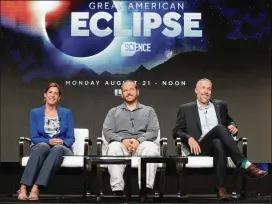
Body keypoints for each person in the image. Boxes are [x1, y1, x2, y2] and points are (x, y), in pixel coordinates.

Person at [172, 78, 268, 200]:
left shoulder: (220, 105)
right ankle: (246, 164)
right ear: (196, 90)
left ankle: (221, 190)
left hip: (219, 146)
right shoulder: (185, 108)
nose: (206, 91)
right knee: (219, 128)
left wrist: (233, 126)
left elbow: (229, 121)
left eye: (209, 89)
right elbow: (176, 131)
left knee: (218, 142)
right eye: (203, 88)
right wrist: (189, 137)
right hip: (200, 147)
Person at [17, 83, 75, 200]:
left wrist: (62, 142)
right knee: (43, 146)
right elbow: (34, 137)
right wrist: (49, 141)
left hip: (62, 148)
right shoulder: (35, 112)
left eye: (56, 93)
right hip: (41, 146)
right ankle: (23, 187)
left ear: (59, 98)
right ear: (45, 94)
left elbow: (71, 138)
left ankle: (35, 187)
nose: (53, 95)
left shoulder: (66, 113)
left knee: (57, 149)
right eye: (50, 92)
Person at [102, 80, 160, 196]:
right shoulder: (113, 112)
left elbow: (153, 131)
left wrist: (139, 141)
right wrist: (122, 140)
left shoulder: (149, 111)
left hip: (142, 143)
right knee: (113, 147)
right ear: (122, 94)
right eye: (125, 90)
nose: (128, 92)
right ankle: (117, 190)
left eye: (131, 89)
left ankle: (146, 189)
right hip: (122, 144)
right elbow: (107, 131)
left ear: (137, 92)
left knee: (151, 148)